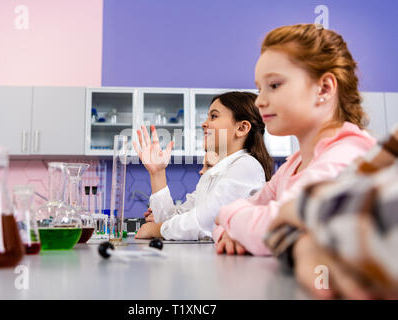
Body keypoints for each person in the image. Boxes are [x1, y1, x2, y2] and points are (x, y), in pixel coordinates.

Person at [214, 24, 377, 255]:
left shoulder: (349, 155)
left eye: (274, 85)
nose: (259, 101)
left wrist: (228, 215)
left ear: (324, 88)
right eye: (260, 89)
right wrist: (231, 229)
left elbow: (276, 228)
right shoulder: (293, 165)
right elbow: (229, 225)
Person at [265, 126, 398, 299]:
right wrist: (304, 244)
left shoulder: (349, 148)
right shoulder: (292, 163)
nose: (260, 102)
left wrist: (302, 209)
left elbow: (379, 218)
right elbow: (278, 223)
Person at [133, 91, 273, 240]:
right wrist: (157, 173)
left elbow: (206, 223)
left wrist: (157, 229)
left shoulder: (246, 166)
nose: (204, 124)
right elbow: (173, 220)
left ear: (241, 128)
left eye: (214, 116)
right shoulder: (213, 174)